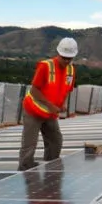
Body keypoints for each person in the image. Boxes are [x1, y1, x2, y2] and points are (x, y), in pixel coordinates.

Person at [18, 37, 78, 171]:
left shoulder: (71, 70)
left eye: (70, 58)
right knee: (29, 144)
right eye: (64, 58)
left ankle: (51, 168)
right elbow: (34, 90)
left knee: (56, 141)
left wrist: (62, 104)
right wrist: (50, 105)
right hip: (34, 110)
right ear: (58, 54)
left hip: (50, 113)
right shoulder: (46, 66)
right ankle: (24, 170)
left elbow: (67, 89)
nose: (66, 61)